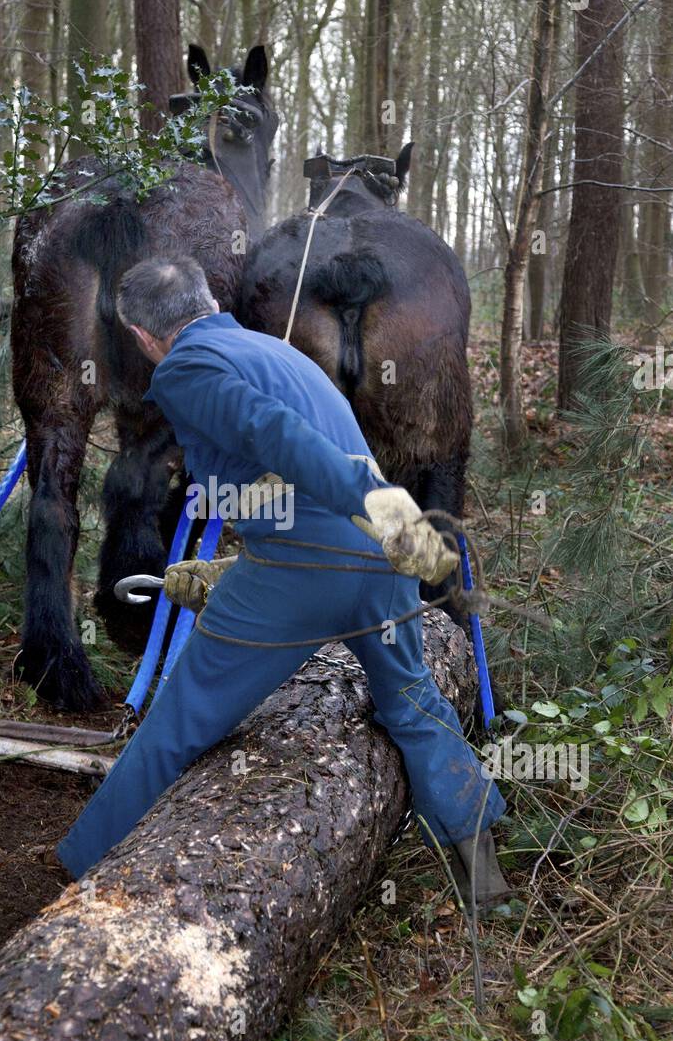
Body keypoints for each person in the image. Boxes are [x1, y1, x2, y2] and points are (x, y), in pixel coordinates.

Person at [57, 256, 509, 908]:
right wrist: (226, 574)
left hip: (314, 560)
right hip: (373, 567)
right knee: (413, 705)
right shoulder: (273, 352)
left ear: (143, 336)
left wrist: (382, 508)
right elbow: (291, 482)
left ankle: (81, 873)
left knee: (179, 718)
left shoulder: (186, 367)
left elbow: (281, 437)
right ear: (207, 300)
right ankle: (484, 877)